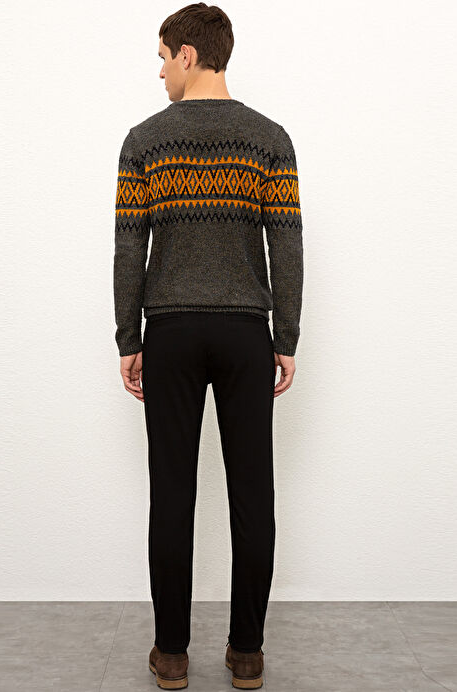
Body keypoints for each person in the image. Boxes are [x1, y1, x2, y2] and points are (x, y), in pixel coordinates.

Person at [113, 3, 303, 689]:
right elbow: (287, 244)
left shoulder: (144, 140)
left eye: (163, 57)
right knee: (253, 493)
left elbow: (129, 246)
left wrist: (128, 336)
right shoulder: (270, 139)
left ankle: (171, 655)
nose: (160, 71)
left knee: (172, 493)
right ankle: (246, 653)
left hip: (169, 331)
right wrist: (285, 337)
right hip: (245, 333)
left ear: (188, 55)